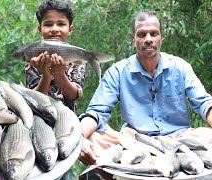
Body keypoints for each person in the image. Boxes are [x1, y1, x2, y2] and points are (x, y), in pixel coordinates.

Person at [78, 10, 212, 175]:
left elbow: (205, 104)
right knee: (89, 139)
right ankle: (109, 175)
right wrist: (80, 138)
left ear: (161, 38)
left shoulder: (180, 67)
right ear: (133, 39)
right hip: (133, 141)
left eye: (153, 33)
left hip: (179, 139)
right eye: (141, 34)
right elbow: (96, 112)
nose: (148, 39)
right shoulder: (118, 72)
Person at [25, 0, 85, 113]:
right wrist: (46, 75)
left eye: (61, 24)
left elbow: (73, 95)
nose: (54, 29)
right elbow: (34, 98)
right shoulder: (33, 60)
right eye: (48, 24)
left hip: (68, 117)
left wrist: (60, 75)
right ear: (40, 29)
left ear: (70, 29)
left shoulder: (76, 57)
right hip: (39, 115)